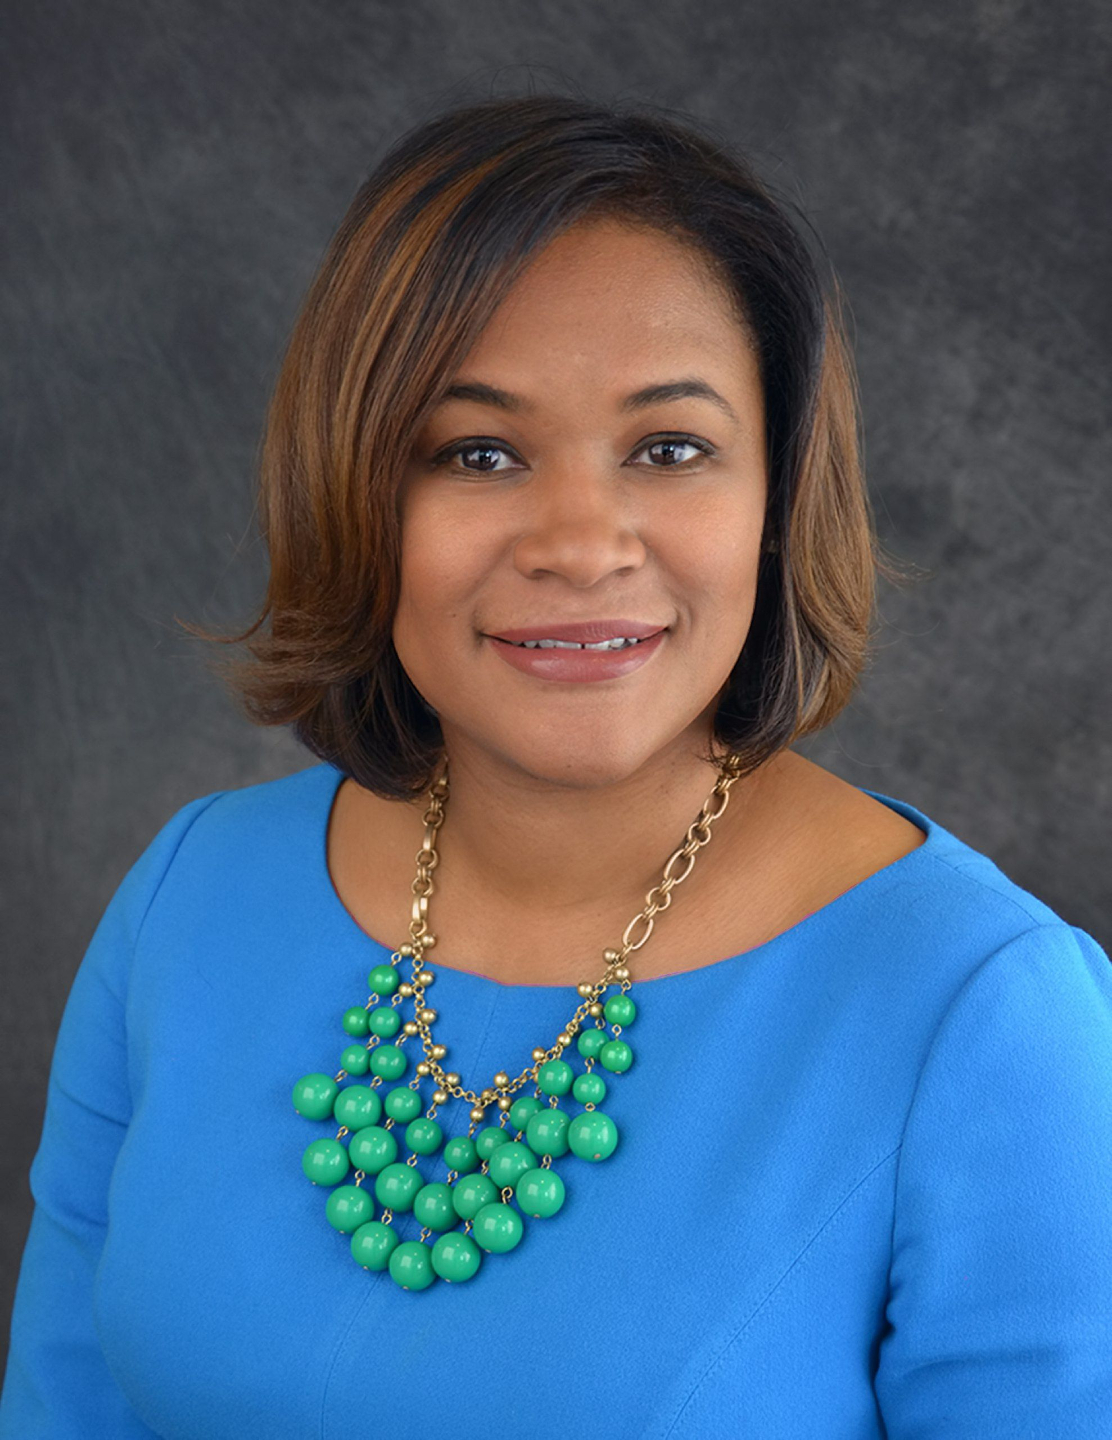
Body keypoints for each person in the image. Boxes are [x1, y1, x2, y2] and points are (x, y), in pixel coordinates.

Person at [3, 93, 1111, 1439]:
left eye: (670, 448)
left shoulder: (987, 1011)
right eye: (478, 453)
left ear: (775, 501)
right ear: (357, 493)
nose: (582, 545)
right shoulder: (192, 894)